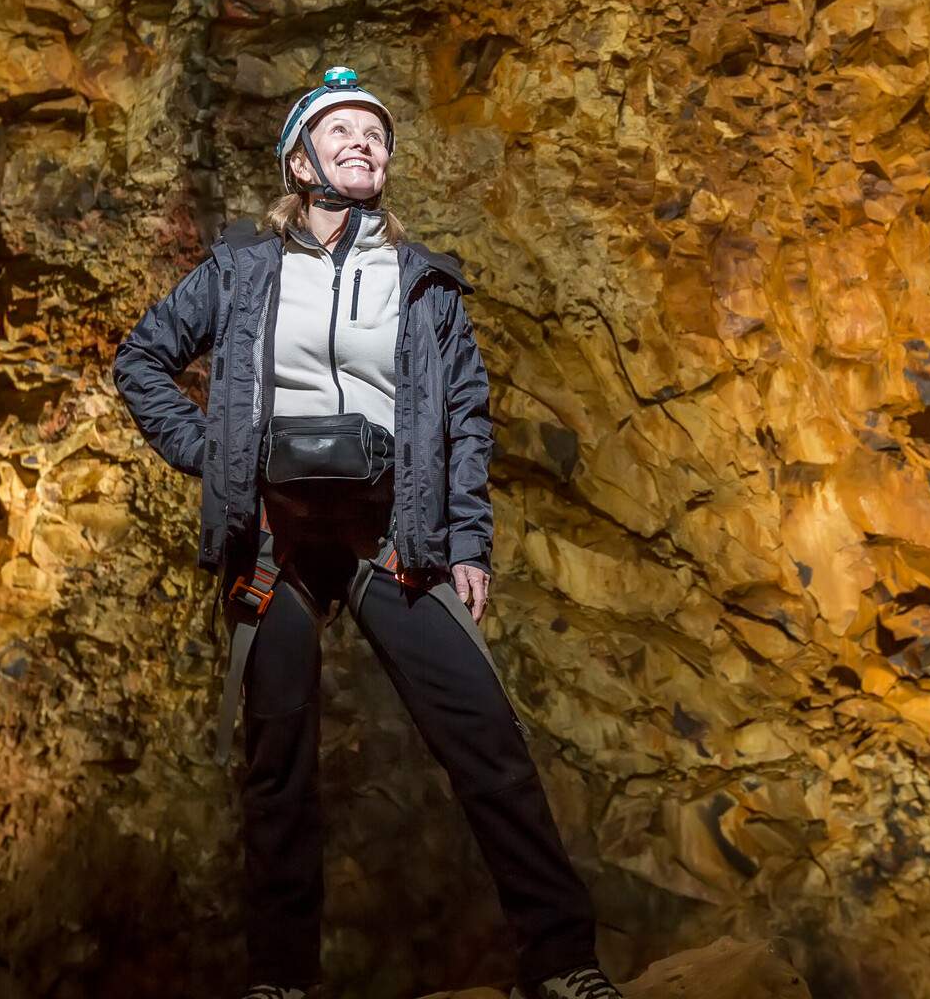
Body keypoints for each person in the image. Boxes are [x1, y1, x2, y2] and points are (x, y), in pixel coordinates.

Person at [112, 67, 622, 999]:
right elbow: (142, 359)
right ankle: (281, 981)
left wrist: (468, 543)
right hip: (273, 538)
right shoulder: (241, 268)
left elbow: (468, 415)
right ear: (299, 158)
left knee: (489, 744)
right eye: (341, 130)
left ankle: (563, 962)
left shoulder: (421, 282)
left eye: (376, 135)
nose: (364, 144)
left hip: (392, 533)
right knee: (279, 766)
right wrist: (215, 457)